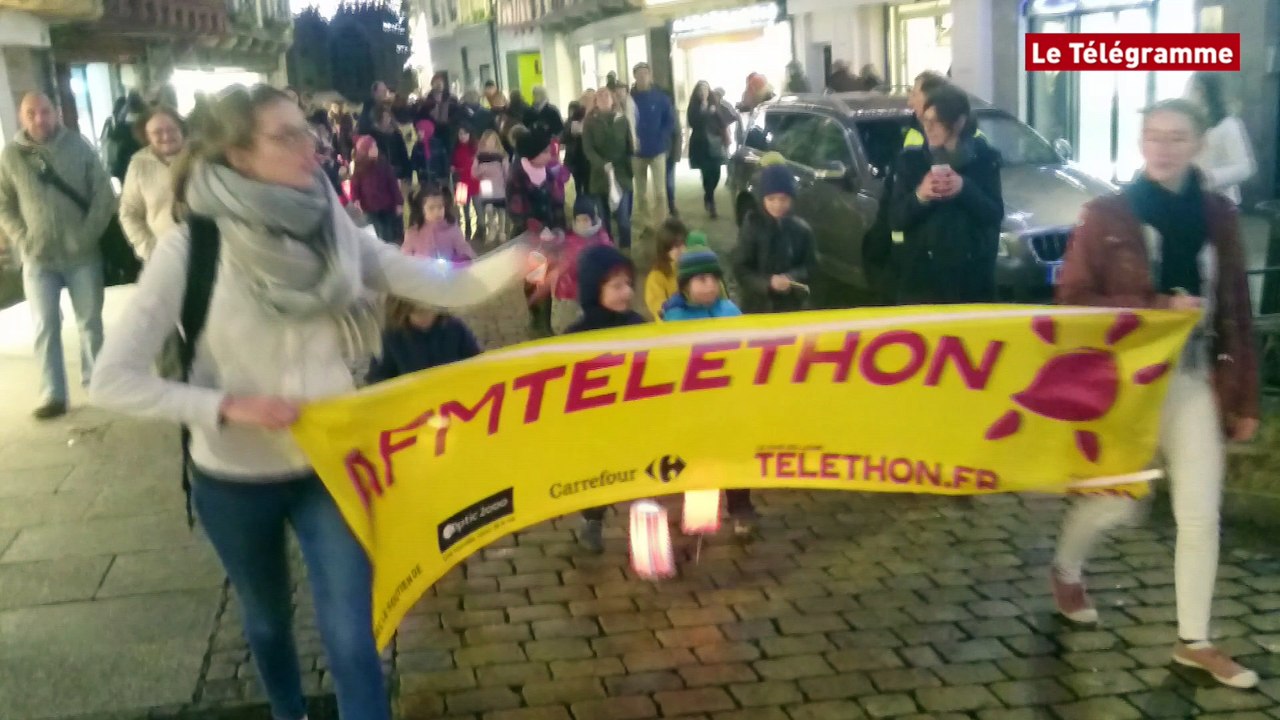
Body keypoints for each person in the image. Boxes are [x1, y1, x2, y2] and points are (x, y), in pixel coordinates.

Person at [89, 84, 527, 720]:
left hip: (331, 465)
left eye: (308, 132)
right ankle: (287, 711)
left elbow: (449, 285)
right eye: (287, 136)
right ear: (238, 154)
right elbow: (112, 378)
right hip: (235, 477)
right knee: (268, 622)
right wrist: (226, 406)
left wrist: (526, 256)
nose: (311, 146)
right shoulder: (191, 249)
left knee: (353, 635)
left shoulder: (337, 232)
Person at [1051, 98, 1259, 690]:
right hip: (1126, 384)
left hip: (1193, 378)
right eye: (1154, 136)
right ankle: (1065, 567)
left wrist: (1244, 398)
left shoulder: (1219, 215)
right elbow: (1072, 302)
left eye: (1177, 137)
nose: (1163, 148)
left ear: (1198, 145)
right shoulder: (1106, 215)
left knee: (1200, 510)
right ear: (1141, 143)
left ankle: (1195, 641)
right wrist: (1156, 306)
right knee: (1120, 501)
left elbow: (1236, 306)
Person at [0, 92, 115, 419]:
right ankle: (53, 394)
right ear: (21, 116)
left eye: (45, 111)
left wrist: (86, 235)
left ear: (56, 113)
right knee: (45, 326)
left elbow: (103, 195)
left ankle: (98, 384)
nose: (39, 118)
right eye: (31, 113)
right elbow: (3, 204)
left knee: (90, 323)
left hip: (82, 256)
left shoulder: (79, 147)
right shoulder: (11, 156)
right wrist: (22, 239)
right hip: (38, 259)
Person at [889, 84, 1002, 304]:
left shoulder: (985, 160)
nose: (928, 128)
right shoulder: (911, 162)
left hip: (972, 283)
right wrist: (920, 196)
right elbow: (895, 219)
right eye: (925, 121)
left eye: (936, 122)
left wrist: (964, 188)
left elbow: (994, 214)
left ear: (958, 122)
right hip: (922, 285)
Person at [569, 244, 646, 552]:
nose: (626, 292)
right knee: (596, 473)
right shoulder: (577, 335)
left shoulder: (639, 326)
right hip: (596, 422)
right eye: (616, 286)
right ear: (594, 290)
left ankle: (646, 520)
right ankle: (592, 520)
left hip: (635, 416)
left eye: (628, 284)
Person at [732, 164, 815, 314]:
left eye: (783, 199)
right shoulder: (752, 225)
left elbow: (810, 266)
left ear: (792, 199)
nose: (778, 205)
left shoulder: (801, 229)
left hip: (791, 306)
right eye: (771, 199)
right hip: (757, 307)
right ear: (762, 198)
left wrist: (792, 277)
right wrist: (767, 283)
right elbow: (740, 269)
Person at [120, 105, 184, 262]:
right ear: (146, 136)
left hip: (206, 254)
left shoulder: (201, 158)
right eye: (157, 132)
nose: (166, 136)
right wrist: (149, 250)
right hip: (163, 256)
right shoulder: (139, 165)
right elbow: (129, 213)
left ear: (181, 129)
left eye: (172, 129)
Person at [367, 298, 481, 384]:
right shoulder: (391, 336)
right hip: (414, 405)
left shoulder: (455, 328)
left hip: (455, 402)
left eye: (428, 310)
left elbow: (478, 365)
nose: (424, 317)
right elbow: (377, 381)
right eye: (417, 311)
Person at [1186, 73, 1256, 206]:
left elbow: (1245, 167)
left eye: (1195, 89)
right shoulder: (1186, 122)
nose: (1189, 94)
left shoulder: (1228, 124)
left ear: (1206, 91)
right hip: (1189, 200)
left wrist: (1208, 177)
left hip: (1220, 202)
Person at [550, 196, 613, 334]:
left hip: (595, 296)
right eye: (578, 220)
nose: (582, 224)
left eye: (585, 219)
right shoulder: (568, 241)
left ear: (593, 219)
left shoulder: (602, 239)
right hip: (570, 296)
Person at [583, 87, 634, 249]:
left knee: (623, 219)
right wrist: (602, 163)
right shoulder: (590, 122)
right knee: (604, 220)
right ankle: (608, 249)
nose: (604, 98)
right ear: (596, 102)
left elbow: (629, 147)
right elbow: (588, 149)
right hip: (599, 176)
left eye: (607, 95)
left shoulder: (622, 120)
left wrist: (630, 168)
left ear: (613, 100)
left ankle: (626, 251)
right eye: (600, 96)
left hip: (621, 175)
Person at [629, 62, 675, 232]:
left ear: (650, 76)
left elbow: (670, 121)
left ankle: (661, 224)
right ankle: (646, 224)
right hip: (637, 153)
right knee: (640, 193)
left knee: (660, 192)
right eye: (639, 74)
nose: (642, 76)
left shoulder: (660, 98)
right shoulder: (629, 99)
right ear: (634, 76)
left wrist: (661, 137)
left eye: (645, 73)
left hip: (657, 151)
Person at [686, 81, 733, 219]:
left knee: (716, 173)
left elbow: (723, 122)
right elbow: (692, 122)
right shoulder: (694, 107)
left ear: (709, 92)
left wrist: (726, 137)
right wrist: (705, 112)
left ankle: (708, 195)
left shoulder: (714, 105)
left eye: (705, 90)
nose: (703, 93)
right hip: (700, 145)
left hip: (715, 144)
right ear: (696, 93)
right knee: (706, 174)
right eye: (700, 90)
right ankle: (711, 202)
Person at [506, 127, 565, 234]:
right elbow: (516, 210)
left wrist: (559, 226)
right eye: (545, 152)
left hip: (550, 230)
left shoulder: (549, 174)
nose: (549, 156)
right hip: (526, 234)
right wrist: (531, 225)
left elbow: (557, 202)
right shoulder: (518, 177)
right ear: (532, 154)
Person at [350, 135, 404, 244]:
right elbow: (355, 185)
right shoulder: (360, 167)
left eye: (375, 147)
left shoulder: (383, 164)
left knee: (389, 233)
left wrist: (399, 202)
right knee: (379, 233)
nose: (375, 150)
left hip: (386, 205)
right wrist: (356, 199)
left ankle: (391, 247)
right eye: (372, 148)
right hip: (370, 207)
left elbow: (392, 183)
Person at [402, 184, 474, 262]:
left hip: (449, 268)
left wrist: (464, 257)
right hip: (421, 269)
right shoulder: (413, 233)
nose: (437, 212)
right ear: (421, 210)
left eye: (440, 207)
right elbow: (405, 256)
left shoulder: (451, 228)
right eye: (431, 208)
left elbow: (463, 247)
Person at [644, 218, 688, 319]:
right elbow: (657, 308)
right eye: (672, 247)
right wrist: (668, 306)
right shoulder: (656, 276)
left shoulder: (694, 266)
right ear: (663, 249)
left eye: (682, 244)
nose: (679, 250)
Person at [472, 129, 509, 243]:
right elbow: (474, 172)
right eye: (488, 140)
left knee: (501, 209)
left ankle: (502, 231)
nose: (490, 142)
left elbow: (506, 171)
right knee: (488, 208)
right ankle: (492, 228)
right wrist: (481, 171)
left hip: (499, 184)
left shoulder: (502, 155)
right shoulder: (479, 156)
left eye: (492, 140)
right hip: (486, 185)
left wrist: (507, 182)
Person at [371, 107, 412, 195]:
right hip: (381, 174)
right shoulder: (374, 136)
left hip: (397, 172)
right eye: (384, 117)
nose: (387, 120)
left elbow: (403, 154)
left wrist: (408, 174)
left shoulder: (396, 134)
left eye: (388, 117)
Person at [903, 71, 948, 148]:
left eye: (914, 95)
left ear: (931, 97)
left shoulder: (955, 137)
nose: (910, 103)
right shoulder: (914, 133)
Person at [563, 91, 595, 197]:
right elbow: (565, 134)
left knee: (590, 188)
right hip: (577, 157)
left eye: (589, 99)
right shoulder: (576, 114)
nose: (586, 102)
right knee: (579, 187)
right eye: (584, 99)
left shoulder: (598, 113)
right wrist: (572, 131)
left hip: (592, 159)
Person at [452, 126, 480, 238]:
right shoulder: (456, 149)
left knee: (478, 207)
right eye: (460, 134)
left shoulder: (476, 148)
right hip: (461, 183)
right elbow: (453, 165)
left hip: (475, 181)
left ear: (470, 134)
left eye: (465, 134)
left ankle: (480, 228)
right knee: (464, 208)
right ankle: (467, 227)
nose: (462, 136)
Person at [410, 118, 437, 188]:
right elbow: (413, 163)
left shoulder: (436, 145)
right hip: (422, 180)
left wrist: (443, 178)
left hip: (436, 180)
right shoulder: (417, 146)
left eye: (421, 131)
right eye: (417, 131)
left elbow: (442, 161)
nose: (418, 133)